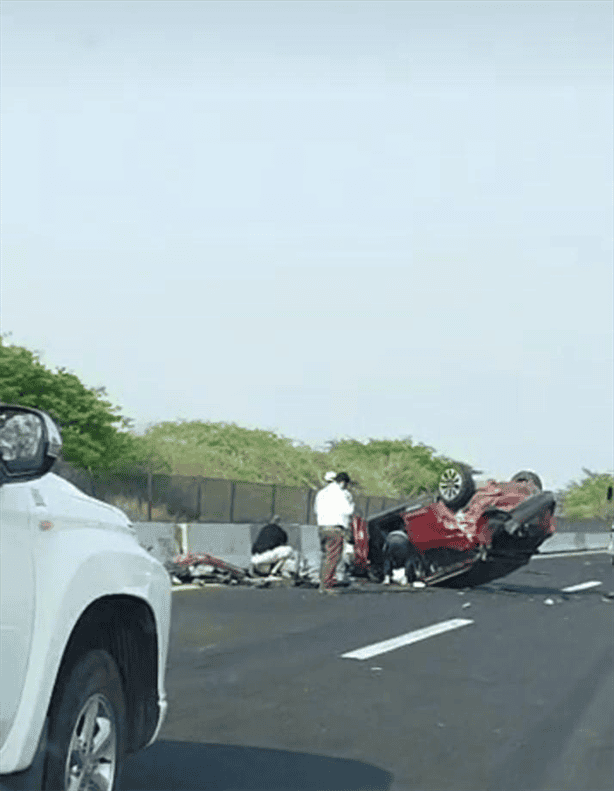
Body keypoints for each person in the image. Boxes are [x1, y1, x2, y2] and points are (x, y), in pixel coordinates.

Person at [314, 471, 356, 594]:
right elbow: (348, 511)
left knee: (325, 556)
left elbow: (316, 510)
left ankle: (323, 582)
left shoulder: (321, 493)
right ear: (342, 483)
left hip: (322, 527)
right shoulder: (342, 494)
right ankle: (326, 585)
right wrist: (352, 504)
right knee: (333, 557)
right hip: (335, 528)